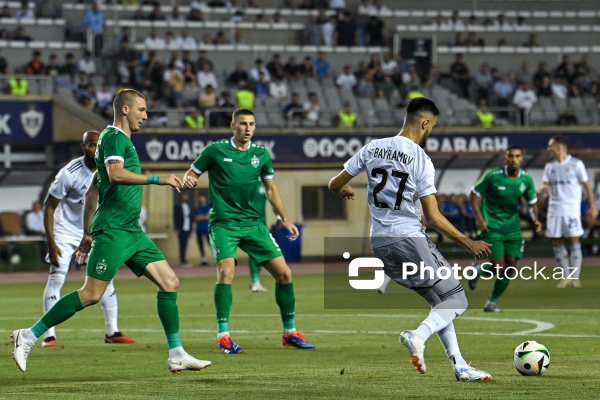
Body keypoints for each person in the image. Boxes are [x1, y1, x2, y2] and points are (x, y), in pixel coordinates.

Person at [11, 89, 211, 374]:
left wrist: (86, 234)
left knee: (169, 281)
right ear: (126, 110)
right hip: (115, 229)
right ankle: (28, 335)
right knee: (92, 294)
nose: (146, 115)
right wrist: (158, 179)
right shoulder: (115, 137)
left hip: (131, 230)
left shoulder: (113, 139)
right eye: (141, 109)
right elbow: (116, 175)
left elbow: (94, 189)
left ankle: (177, 352)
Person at [327, 97, 492, 382]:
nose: (431, 133)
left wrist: (344, 191)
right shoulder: (420, 159)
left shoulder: (372, 147)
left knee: (441, 301)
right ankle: (417, 335)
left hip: (380, 243)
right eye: (432, 128)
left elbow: (334, 183)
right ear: (425, 122)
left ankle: (460, 366)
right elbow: (434, 217)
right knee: (458, 300)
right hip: (408, 237)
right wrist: (469, 242)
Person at [182, 108, 315, 354]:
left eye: (252, 124)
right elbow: (192, 172)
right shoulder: (215, 150)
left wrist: (285, 219)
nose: (248, 128)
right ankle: (223, 335)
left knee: (284, 274)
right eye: (242, 124)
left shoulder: (261, 155)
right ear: (233, 125)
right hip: (224, 224)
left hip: (254, 224)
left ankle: (289, 333)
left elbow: (272, 189)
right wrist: (188, 178)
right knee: (226, 272)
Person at [41, 131, 136, 347]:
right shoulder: (69, 173)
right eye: (92, 146)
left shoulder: (110, 169)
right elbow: (49, 207)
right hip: (66, 233)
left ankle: (112, 332)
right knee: (57, 278)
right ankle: (49, 336)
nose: (96, 150)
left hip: (93, 233)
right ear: (84, 147)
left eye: (99, 146)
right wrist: (51, 242)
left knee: (105, 278)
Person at [468, 146, 542, 312]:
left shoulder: (526, 180)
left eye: (517, 156)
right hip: (492, 227)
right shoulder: (493, 176)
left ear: (522, 159)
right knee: (499, 268)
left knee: (510, 269)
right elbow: (474, 195)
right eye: (510, 156)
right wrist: (480, 218)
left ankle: (491, 302)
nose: (514, 159)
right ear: (505, 159)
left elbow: (532, 202)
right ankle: (477, 270)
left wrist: (536, 219)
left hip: (513, 229)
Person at [542, 136, 598, 288]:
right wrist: (544, 190)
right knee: (556, 241)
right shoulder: (549, 167)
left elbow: (587, 187)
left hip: (571, 210)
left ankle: (575, 277)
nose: (548, 149)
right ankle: (566, 276)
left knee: (574, 241)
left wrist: (592, 207)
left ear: (559, 147)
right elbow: (545, 187)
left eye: (550, 146)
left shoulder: (576, 164)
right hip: (554, 210)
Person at [173, 193, 192, 268]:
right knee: (181, 244)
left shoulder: (189, 206)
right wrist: (176, 228)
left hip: (187, 228)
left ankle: (184, 259)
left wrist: (190, 229)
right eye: (184, 196)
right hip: (181, 228)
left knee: (185, 244)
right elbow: (175, 217)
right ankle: (182, 260)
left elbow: (191, 218)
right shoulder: (177, 207)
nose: (185, 197)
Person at [194, 193, 210, 266]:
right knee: (200, 245)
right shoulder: (197, 208)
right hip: (199, 229)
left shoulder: (208, 207)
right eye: (200, 199)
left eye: (203, 199)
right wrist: (204, 217)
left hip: (207, 228)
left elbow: (209, 217)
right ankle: (204, 259)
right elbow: (196, 218)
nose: (202, 200)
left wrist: (201, 217)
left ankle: (217, 258)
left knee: (210, 244)